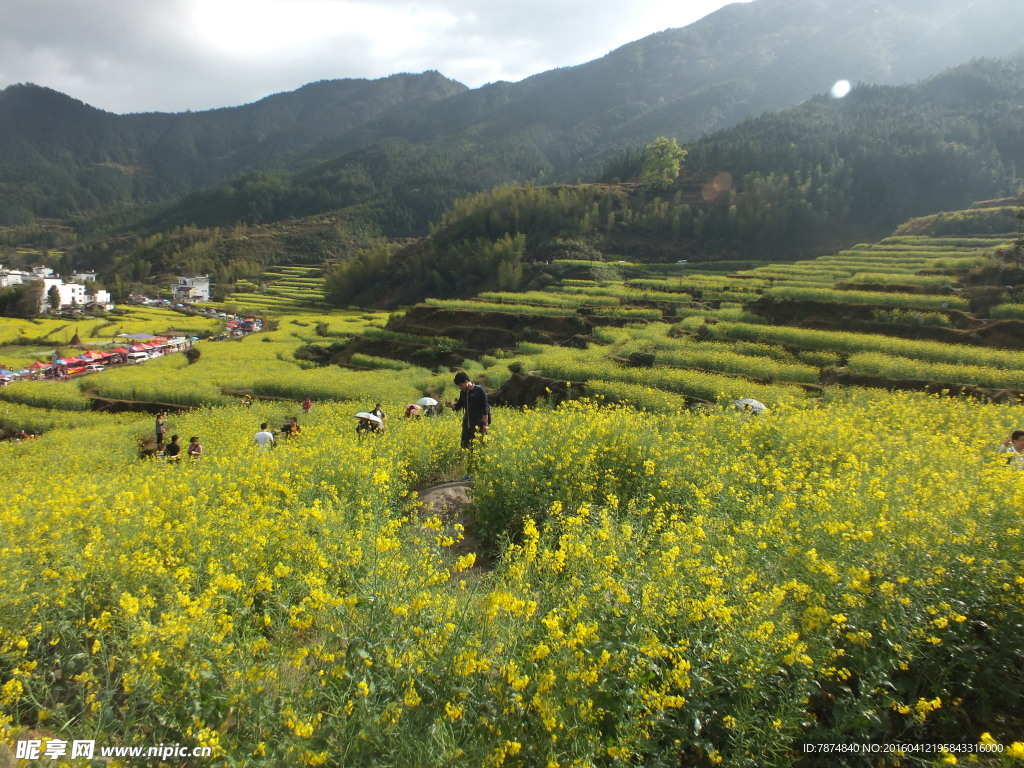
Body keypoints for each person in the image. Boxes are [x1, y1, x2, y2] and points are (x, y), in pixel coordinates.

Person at [446, 372, 490, 449]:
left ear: (466, 381)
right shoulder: (463, 393)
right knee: (465, 446)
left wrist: (485, 424)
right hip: (467, 425)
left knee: (479, 447)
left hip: (478, 424)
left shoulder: (479, 390)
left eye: (460, 385)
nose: (460, 387)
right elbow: (459, 405)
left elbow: (485, 408)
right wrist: (451, 406)